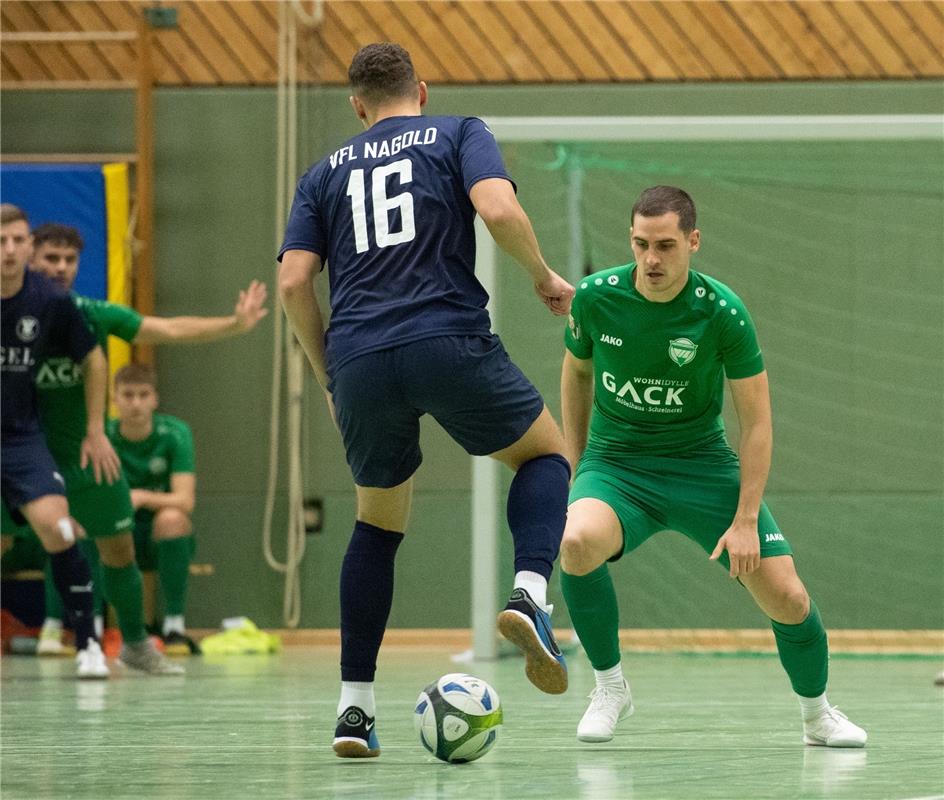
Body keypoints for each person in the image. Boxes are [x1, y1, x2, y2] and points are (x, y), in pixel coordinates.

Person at [278, 42, 575, 759]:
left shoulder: (322, 174)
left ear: (357, 105)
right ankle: (529, 590)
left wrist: (328, 374)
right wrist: (540, 274)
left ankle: (353, 710)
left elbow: (292, 284)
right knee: (547, 453)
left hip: (358, 359)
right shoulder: (457, 131)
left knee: (377, 524)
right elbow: (498, 207)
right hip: (446, 336)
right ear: (423, 89)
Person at [558, 186, 868, 748]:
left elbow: (757, 423)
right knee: (576, 542)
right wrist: (578, 470)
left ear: (693, 242)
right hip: (618, 465)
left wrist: (746, 517)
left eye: (666, 245)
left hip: (702, 465)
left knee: (789, 598)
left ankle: (818, 715)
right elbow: (577, 375)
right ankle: (610, 687)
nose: (651, 259)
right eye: (640, 244)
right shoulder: (594, 298)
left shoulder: (722, 310)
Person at [2, 221, 267, 671]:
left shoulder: (90, 313)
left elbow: (167, 329)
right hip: (21, 457)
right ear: (30, 258)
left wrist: (234, 324)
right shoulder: (16, 312)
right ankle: (55, 631)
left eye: (69, 261)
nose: (61, 268)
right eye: (51, 259)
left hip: (86, 459)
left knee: (118, 547)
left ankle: (136, 644)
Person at [0, 203, 115, 678]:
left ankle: (88, 641)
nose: (9, 250)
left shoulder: (49, 301)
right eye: (1, 242)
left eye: (18, 241)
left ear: (29, 247)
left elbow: (94, 360)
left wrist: (94, 428)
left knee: (61, 529)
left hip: (21, 439)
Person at [107, 364, 199, 655]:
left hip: (156, 536)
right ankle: (92, 628)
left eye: (143, 395)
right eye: (128, 395)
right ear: (114, 398)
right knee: (82, 524)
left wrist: (141, 497)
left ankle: (174, 626)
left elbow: (185, 500)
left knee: (173, 518)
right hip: (115, 532)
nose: (135, 403)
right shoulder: (102, 436)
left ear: (154, 399)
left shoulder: (174, 433)